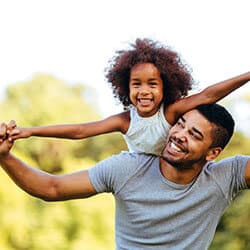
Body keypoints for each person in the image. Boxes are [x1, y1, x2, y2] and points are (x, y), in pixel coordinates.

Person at [0, 103, 249, 249]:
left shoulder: (224, 177)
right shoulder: (129, 168)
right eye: (180, 124)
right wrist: (4, 157)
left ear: (212, 153)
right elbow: (51, 188)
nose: (179, 134)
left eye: (194, 135)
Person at [7, 38, 250, 155]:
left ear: (166, 87)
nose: (144, 91)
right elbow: (81, 130)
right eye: (137, 84)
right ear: (126, 87)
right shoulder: (125, 121)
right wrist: (31, 131)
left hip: (174, 173)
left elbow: (209, 95)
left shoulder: (171, 112)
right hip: (139, 178)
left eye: (152, 84)